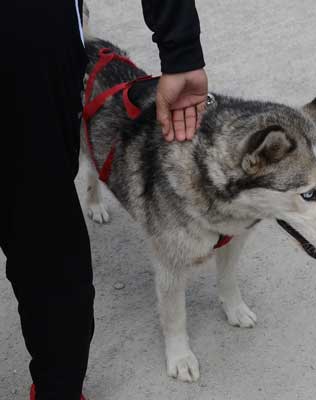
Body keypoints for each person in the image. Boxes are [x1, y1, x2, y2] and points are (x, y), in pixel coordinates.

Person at [0, 1, 207, 399]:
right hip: (28, 37)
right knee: (44, 238)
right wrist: (179, 46)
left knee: (43, 236)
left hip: (26, 37)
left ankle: (59, 389)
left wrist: (181, 49)